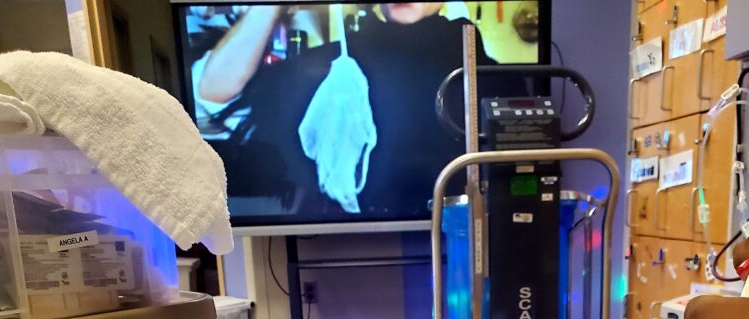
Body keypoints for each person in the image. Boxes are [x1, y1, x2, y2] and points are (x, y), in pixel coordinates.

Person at [190, 3, 523, 218]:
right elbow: (214, 91)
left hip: (469, 251)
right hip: (336, 249)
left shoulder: (491, 78)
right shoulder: (334, 65)